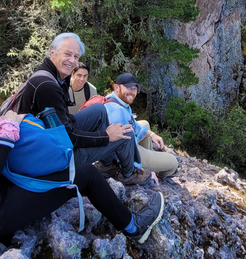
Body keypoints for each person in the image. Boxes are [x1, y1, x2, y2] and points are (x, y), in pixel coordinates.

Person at [0, 28, 164, 243]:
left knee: (79, 169)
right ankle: (134, 226)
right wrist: (7, 135)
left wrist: (6, 130)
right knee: (86, 174)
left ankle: (124, 193)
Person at [15, 33, 154, 186]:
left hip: (45, 140)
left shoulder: (50, 75)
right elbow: (68, 138)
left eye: (76, 56)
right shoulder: (47, 86)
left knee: (99, 110)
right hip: (50, 156)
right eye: (67, 54)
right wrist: (106, 136)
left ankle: (106, 165)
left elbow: (62, 124)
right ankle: (128, 174)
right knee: (124, 132)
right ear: (52, 52)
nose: (72, 61)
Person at [103, 73, 179, 180]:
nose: (132, 92)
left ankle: (150, 161)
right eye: (128, 88)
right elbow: (124, 150)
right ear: (116, 87)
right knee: (173, 162)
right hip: (123, 156)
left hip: (124, 145)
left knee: (145, 124)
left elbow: (135, 125)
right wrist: (143, 171)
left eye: (134, 89)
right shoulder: (118, 112)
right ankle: (157, 174)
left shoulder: (114, 101)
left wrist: (152, 135)